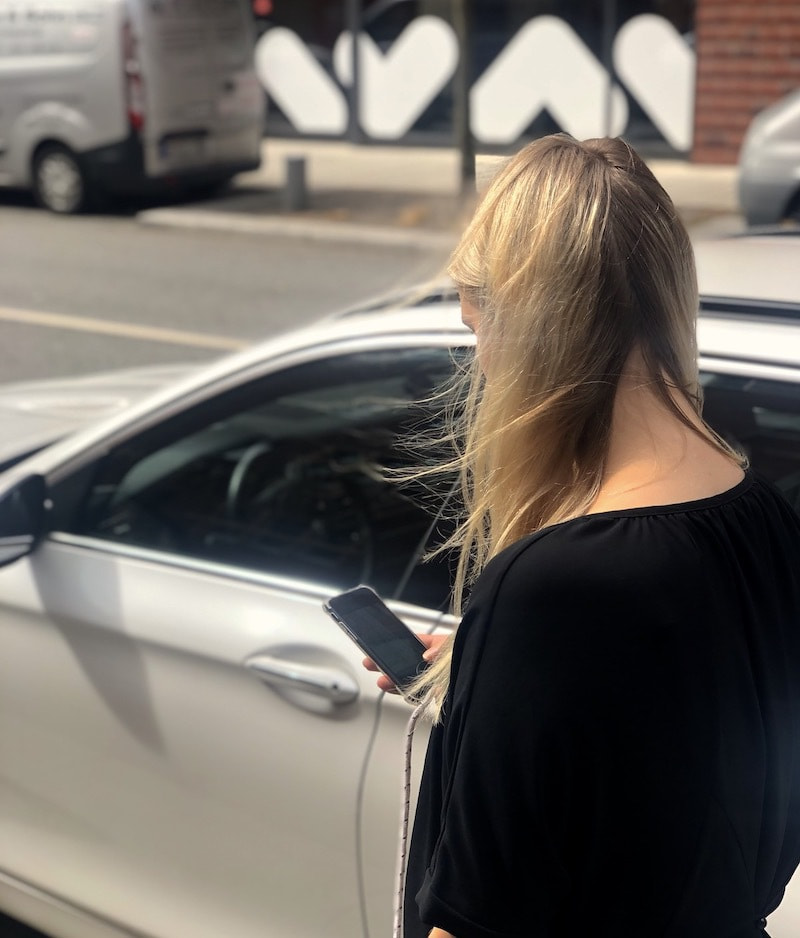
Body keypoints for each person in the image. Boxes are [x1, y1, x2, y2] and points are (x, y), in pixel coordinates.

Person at [364, 134, 800, 937]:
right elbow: (660, 738)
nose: (484, 360)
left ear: (529, 327)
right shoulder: (765, 519)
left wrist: (519, 645)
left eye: (479, 326)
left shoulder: (552, 587)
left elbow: (478, 917)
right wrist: (488, 674)